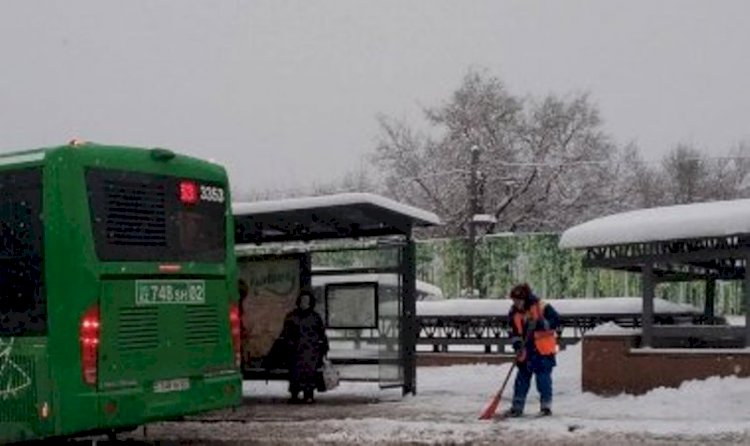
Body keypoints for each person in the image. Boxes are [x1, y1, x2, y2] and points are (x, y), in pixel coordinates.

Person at [503, 283, 560, 417]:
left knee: (543, 380)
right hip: (526, 351)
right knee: (521, 380)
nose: (516, 303)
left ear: (526, 298)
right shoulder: (514, 313)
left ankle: (546, 408)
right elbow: (514, 332)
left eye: (518, 301)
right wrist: (517, 345)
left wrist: (542, 324)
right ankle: (517, 407)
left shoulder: (542, 307)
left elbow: (556, 320)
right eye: (514, 301)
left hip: (542, 351)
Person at [280, 290, 329, 404]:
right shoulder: (292, 317)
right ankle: (295, 394)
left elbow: (321, 333)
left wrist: (323, 348)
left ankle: (308, 394)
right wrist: (289, 344)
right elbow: (286, 333)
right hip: (296, 350)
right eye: (303, 300)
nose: (304, 303)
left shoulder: (315, 317)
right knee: (296, 374)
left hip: (311, 350)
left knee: (309, 373)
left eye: (307, 301)